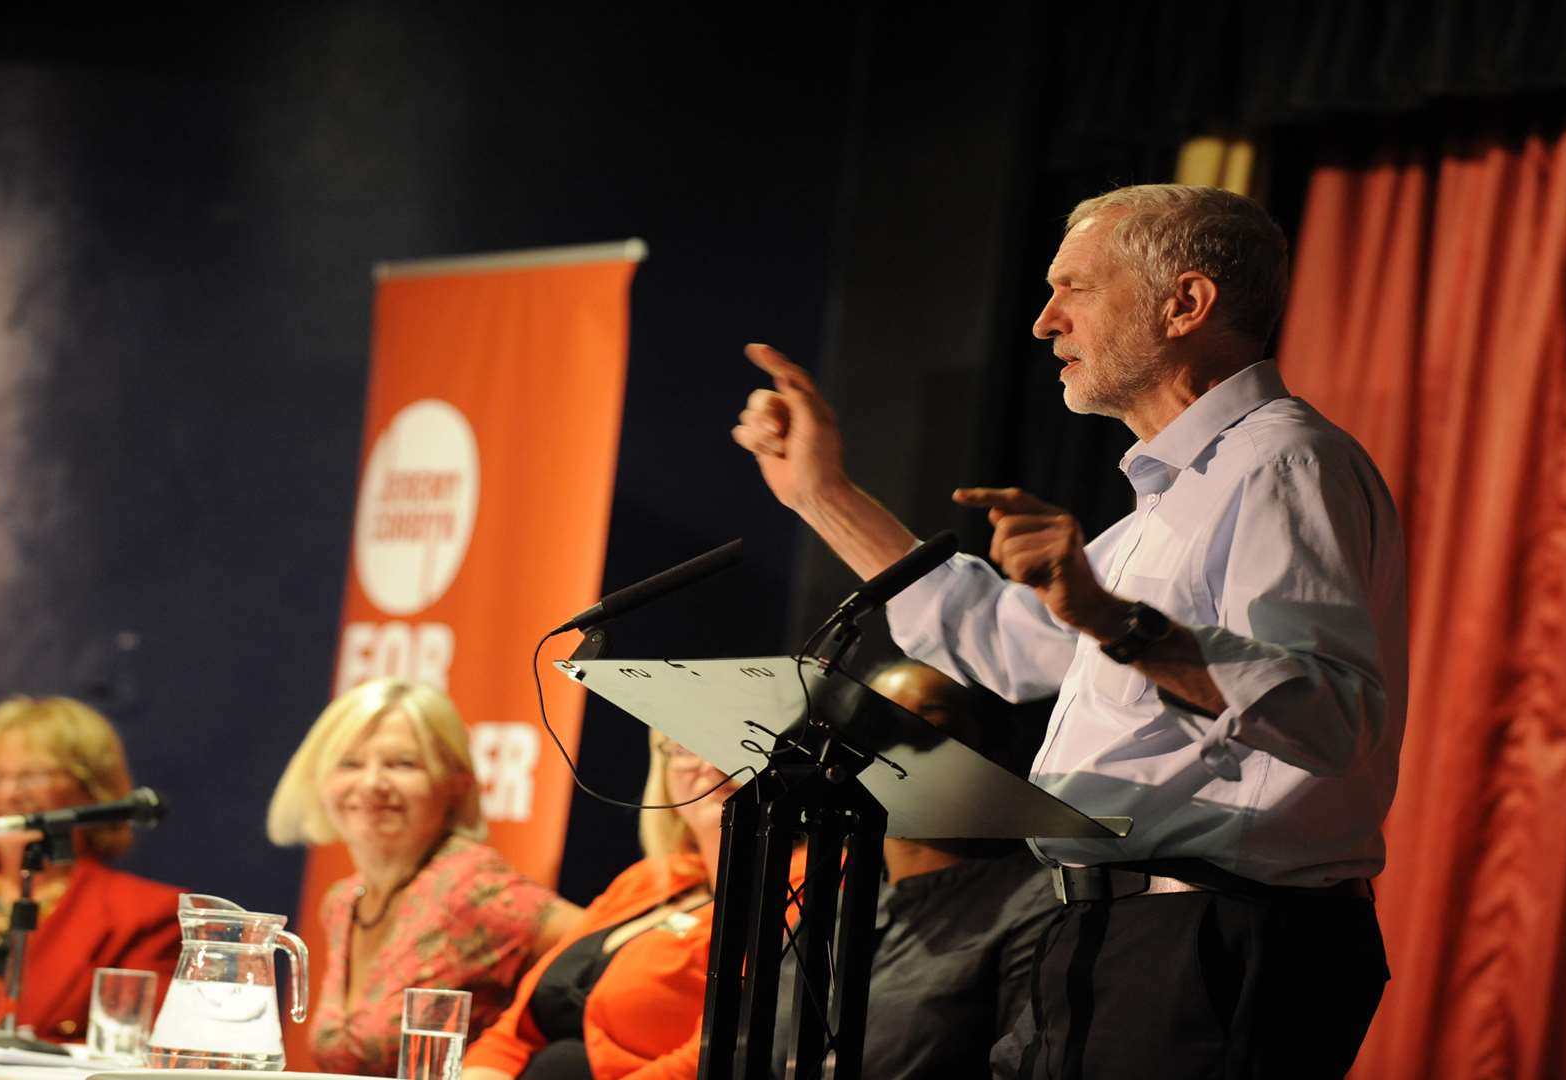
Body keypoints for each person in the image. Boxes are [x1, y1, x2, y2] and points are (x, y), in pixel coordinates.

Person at [731, 183, 1407, 1078]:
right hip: (1104, 930)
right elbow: (1005, 641)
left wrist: (1114, 620)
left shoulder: (1284, 462)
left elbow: (1332, 717)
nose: (1046, 322)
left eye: (1073, 288)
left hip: (1215, 941)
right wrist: (824, 496)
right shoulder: (1176, 498)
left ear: (1185, 304)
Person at [267, 678, 580, 1077]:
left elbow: (618, 950)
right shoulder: (343, 901)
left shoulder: (473, 888)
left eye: (402, 764)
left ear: (455, 782)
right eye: (350, 763)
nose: (372, 783)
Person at [775, 660, 1058, 1077]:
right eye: (877, 724)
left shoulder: (1034, 904)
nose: (895, 744)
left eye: (927, 724)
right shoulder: (832, 902)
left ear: (989, 752)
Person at [461, 733, 793, 1080]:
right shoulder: (648, 880)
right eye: (686, 747)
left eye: (736, 744)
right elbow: (511, 1034)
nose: (710, 766)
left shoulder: (798, 889)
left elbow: (721, 1055)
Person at [0, 695, 184, 1041]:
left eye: (31, 776)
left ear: (91, 790)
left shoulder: (144, 916)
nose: (7, 794)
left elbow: (138, 1052)